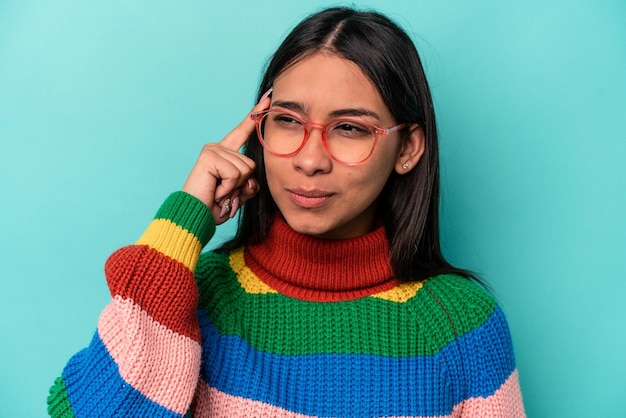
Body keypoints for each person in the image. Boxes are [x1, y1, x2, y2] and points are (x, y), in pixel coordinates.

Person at [47, 7, 525, 417]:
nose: (310, 159)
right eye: (288, 121)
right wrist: (183, 222)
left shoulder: (461, 326)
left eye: (350, 129)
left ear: (408, 147)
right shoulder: (201, 299)